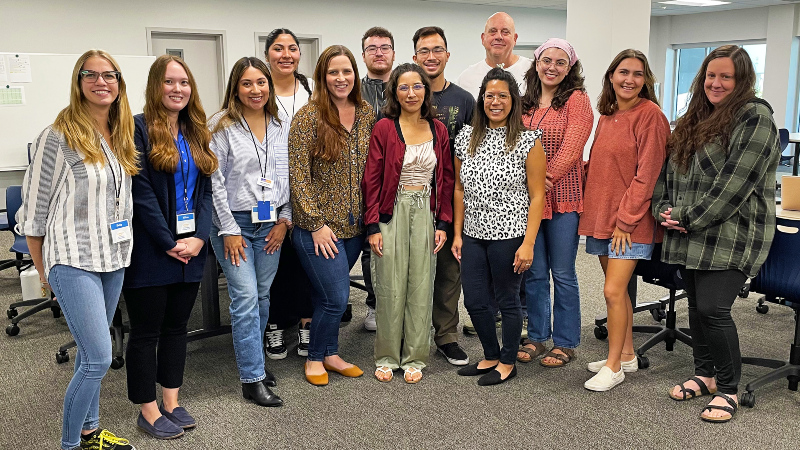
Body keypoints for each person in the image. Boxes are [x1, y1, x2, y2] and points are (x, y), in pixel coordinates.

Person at [18, 49, 139, 450]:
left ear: (119, 84)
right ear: (78, 81)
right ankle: (69, 445)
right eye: (92, 75)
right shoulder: (58, 136)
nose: (101, 82)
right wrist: (44, 271)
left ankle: (90, 432)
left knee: (92, 355)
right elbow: (33, 215)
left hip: (114, 257)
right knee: (99, 358)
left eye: (110, 75)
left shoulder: (120, 136)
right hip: (72, 260)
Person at [653, 45, 781, 422]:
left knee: (713, 308)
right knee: (695, 305)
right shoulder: (694, 116)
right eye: (711, 75)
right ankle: (704, 374)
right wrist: (661, 209)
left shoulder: (755, 118)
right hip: (689, 229)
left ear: (742, 80)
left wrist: (686, 216)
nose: (717, 82)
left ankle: (728, 388)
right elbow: (667, 173)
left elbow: (734, 187)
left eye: (726, 76)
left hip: (732, 233)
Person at [123, 55, 217, 439]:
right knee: (146, 331)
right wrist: (167, 242)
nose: (177, 89)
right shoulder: (136, 129)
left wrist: (199, 238)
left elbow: (207, 192)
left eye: (184, 82)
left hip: (190, 250)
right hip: (150, 250)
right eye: (169, 82)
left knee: (177, 328)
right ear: (154, 86)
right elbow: (139, 192)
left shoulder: (196, 131)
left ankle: (172, 401)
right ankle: (147, 410)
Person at [578, 49, 669, 392]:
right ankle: (627, 353)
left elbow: (648, 175)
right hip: (602, 215)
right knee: (619, 295)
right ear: (611, 77)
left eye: (637, 74)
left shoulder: (651, 116)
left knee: (613, 292)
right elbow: (601, 167)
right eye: (623, 72)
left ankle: (613, 366)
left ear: (646, 81)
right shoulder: (607, 114)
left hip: (628, 222)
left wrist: (626, 222)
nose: (629, 79)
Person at [452, 68, 546, 386]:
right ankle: (490, 355)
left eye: (502, 95)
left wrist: (529, 243)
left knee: (507, 300)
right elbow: (459, 189)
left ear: (513, 100)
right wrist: (457, 234)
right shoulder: (466, 137)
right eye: (489, 95)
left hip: (509, 233)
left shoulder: (527, 140)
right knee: (475, 300)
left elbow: (537, 196)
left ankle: (507, 361)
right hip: (473, 234)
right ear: (482, 99)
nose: (495, 101)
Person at [363, 64, 454, 383]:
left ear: (426, 92)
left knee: (421, 283)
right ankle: (387, 355)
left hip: (426, 212)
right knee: (389, 283)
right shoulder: (384, 127)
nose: (411, 93)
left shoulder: (439, 130)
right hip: (392, 212)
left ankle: (415, 355)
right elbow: (371, 179)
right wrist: (373, 225)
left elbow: (445, 178)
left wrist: (443, 222)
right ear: (395, 93)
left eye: (417, 87)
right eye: (404, 87)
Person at [289, 45, 374, 386]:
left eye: (347, 71)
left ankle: (331, 354)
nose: (341, 78)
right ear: (323, 77)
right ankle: (314, 358)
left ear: (355, 75)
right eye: (333, 72)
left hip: (355, 227)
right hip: (317, 229)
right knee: (336, 297)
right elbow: (297, 175)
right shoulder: (308, 117)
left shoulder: (367, 113)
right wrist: (316, 225)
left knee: (329, 296)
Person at [208, 56, 289, 407]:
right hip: (234, 225)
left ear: (269, 86)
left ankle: (252, 363)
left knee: (262, 298)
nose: (255, 90)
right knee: (244, 298)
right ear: (235, 88)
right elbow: (214, 183)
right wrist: (227, 229)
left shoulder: (280, 123)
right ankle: (252, 378)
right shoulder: (221, 125)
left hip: (271, 224)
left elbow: (289, 177)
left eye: (261, 83)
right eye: (247, 83)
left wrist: (285, 220)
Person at [517, 38, 593, 368]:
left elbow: (572, 148)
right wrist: (526, 181)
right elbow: (512, 143)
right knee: (533, 274)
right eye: (547, 60)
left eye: (561, 62)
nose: (552, 67)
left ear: (571, 68)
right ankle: (536, 335)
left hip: (563, 198)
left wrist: (541, 179)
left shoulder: (577, 100)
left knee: (562, 273)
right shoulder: (525, 102)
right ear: (536, 63)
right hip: (527, 202)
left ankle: (565, 342)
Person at [412, 26, 474, 365]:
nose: (431, 56)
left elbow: (477, 148)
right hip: (410, 197)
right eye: (424, 50)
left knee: (450, 270)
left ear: (447, 55)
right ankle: (412, 332)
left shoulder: (463, 100)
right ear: (415, 57)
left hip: (453, 197)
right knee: (412, 268)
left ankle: (447, 335)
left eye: (437, 50)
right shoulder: (405, 94)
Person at [261, 28, 315, 361]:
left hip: (308, 186)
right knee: (275, 258)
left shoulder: (311, 89)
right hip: (269, 187)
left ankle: (308, 322)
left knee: (308, 260)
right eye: (278, 48)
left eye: (292, 48)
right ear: (268, 53)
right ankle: (276, 324)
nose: (286, 55)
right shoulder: (258, 89)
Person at [359, 26, 395, 330]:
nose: (379, 52)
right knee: (364, 248)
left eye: (384, 47)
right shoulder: (352, 90)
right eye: (372, 48)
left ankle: (386, 304)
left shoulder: (406, 87)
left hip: (392, 186)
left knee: (381, 247)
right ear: (364, 55)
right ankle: (372, 304)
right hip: (353, 182)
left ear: (393, 53)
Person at [456, 12, 533, 99]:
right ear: (483, 38)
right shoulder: (466, 78)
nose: (498, 37)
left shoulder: (533, 71)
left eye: (505, 32)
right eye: (493, 31)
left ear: (515, 39)